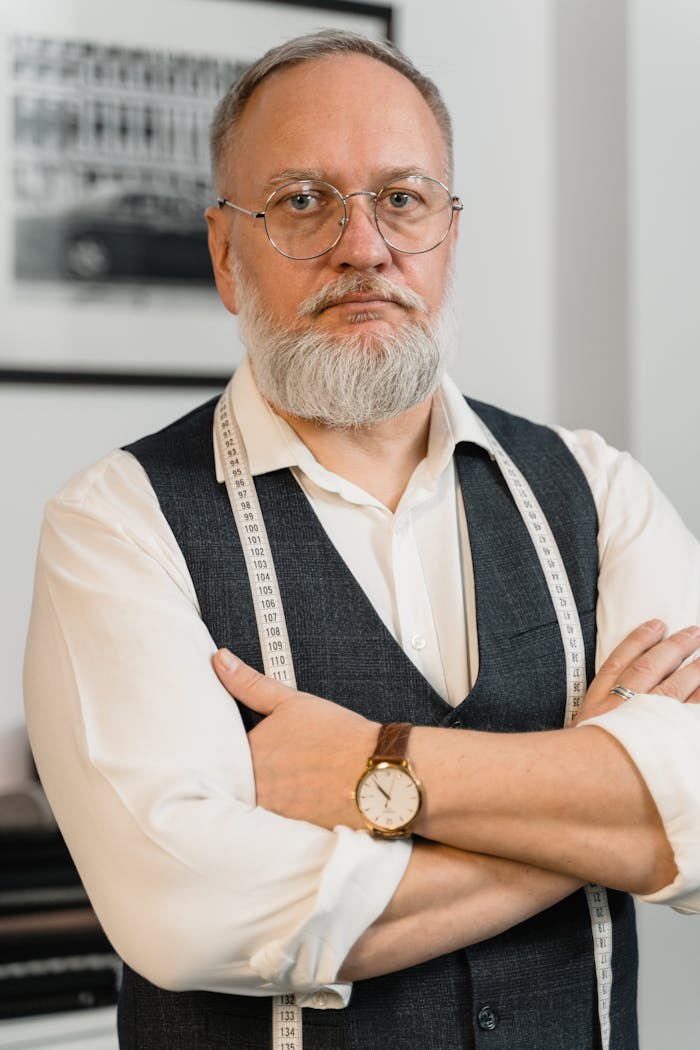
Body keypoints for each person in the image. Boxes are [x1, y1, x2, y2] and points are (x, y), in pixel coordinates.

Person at [24, 29, 700, 1050]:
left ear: (448, 233)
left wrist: (370, 768)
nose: (363, 245)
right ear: (223, 251)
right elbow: (190, 914)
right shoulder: (117, 519)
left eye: (402, 199)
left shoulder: (596, 488)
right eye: (302, 201)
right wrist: (597, 808)